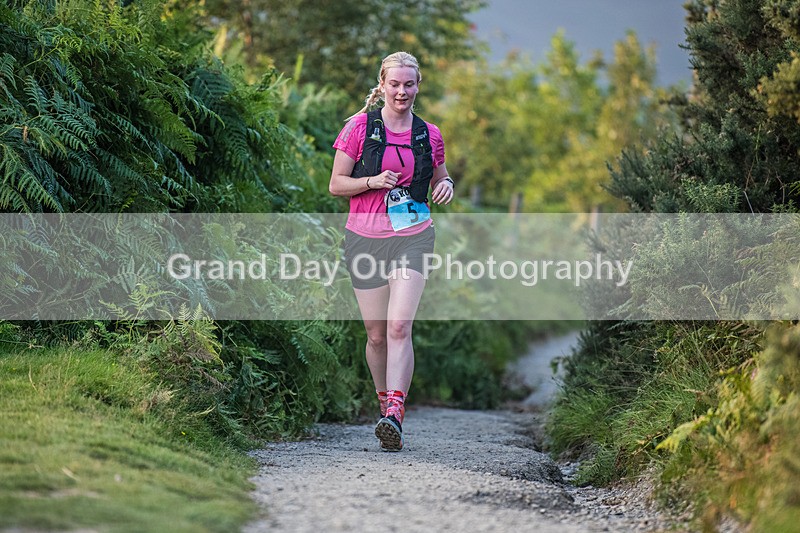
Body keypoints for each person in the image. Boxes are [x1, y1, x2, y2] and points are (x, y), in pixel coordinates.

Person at [329, 51, 454, 452]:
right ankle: (385, 406)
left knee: (400, 326)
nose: (402, 91)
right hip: (364, 238)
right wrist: (372, 181)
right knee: (377, 334)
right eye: (395, 84)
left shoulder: (429, 134)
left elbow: (441, 175)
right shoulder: (359, 128)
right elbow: (336, 184)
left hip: (413, 235)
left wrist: (446, 185)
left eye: (409, 84)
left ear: (419, 86)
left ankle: (395, 413)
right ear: (382, 85)